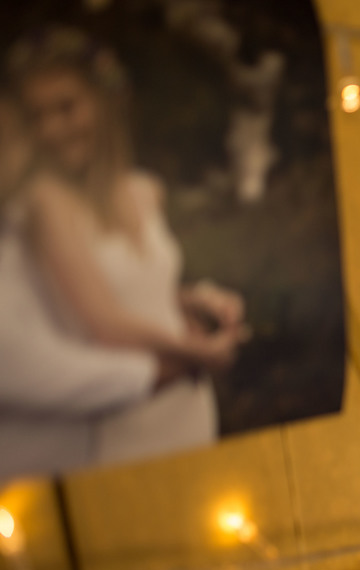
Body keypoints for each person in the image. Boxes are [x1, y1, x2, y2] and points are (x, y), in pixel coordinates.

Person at [5, 28, 247, 467]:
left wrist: (202, 300)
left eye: (66, 107)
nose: (53, 129)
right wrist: (200, 353)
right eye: (37, 116)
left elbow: (144, 291)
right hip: (129, 414)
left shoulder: (144, 188)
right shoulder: (46, 202)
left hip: (189, 404)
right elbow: (102, 322)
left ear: (105, 100)